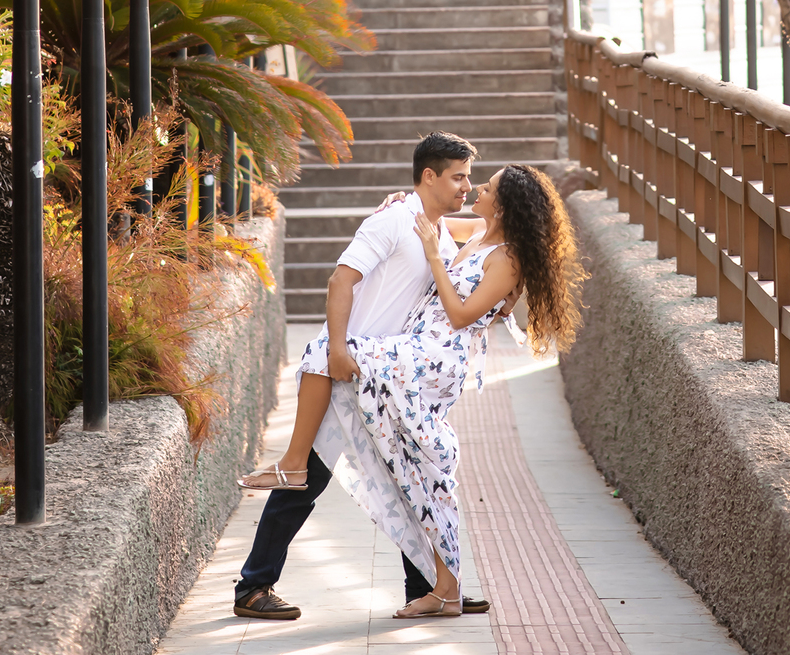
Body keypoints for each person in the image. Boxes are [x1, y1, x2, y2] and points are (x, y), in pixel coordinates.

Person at [253, 162, 583, 619]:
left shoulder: (506, 256)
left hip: (431, 361)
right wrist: (403, 200)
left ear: (505, 206)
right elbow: (431, 217)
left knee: (325, 353)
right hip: (411, 355)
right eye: (466, 180)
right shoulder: (479, 232)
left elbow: (462, 315)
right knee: (414, 471)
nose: (474, 190)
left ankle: (292, 470)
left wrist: (432, 255)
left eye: (483, 187)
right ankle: (438, 587)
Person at [233, 132, 492, 622]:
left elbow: (494, 223)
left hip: (383, 378)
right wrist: (336, 349)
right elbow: (340, 280)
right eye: (458, 177)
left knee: (403, 479)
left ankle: (433, 588)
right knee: (308, 478)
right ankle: (253, 586)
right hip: (349, 371)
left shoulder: (429, 228)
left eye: (470, 177)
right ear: (429, 176)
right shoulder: (394, 220)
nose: (466, 186)